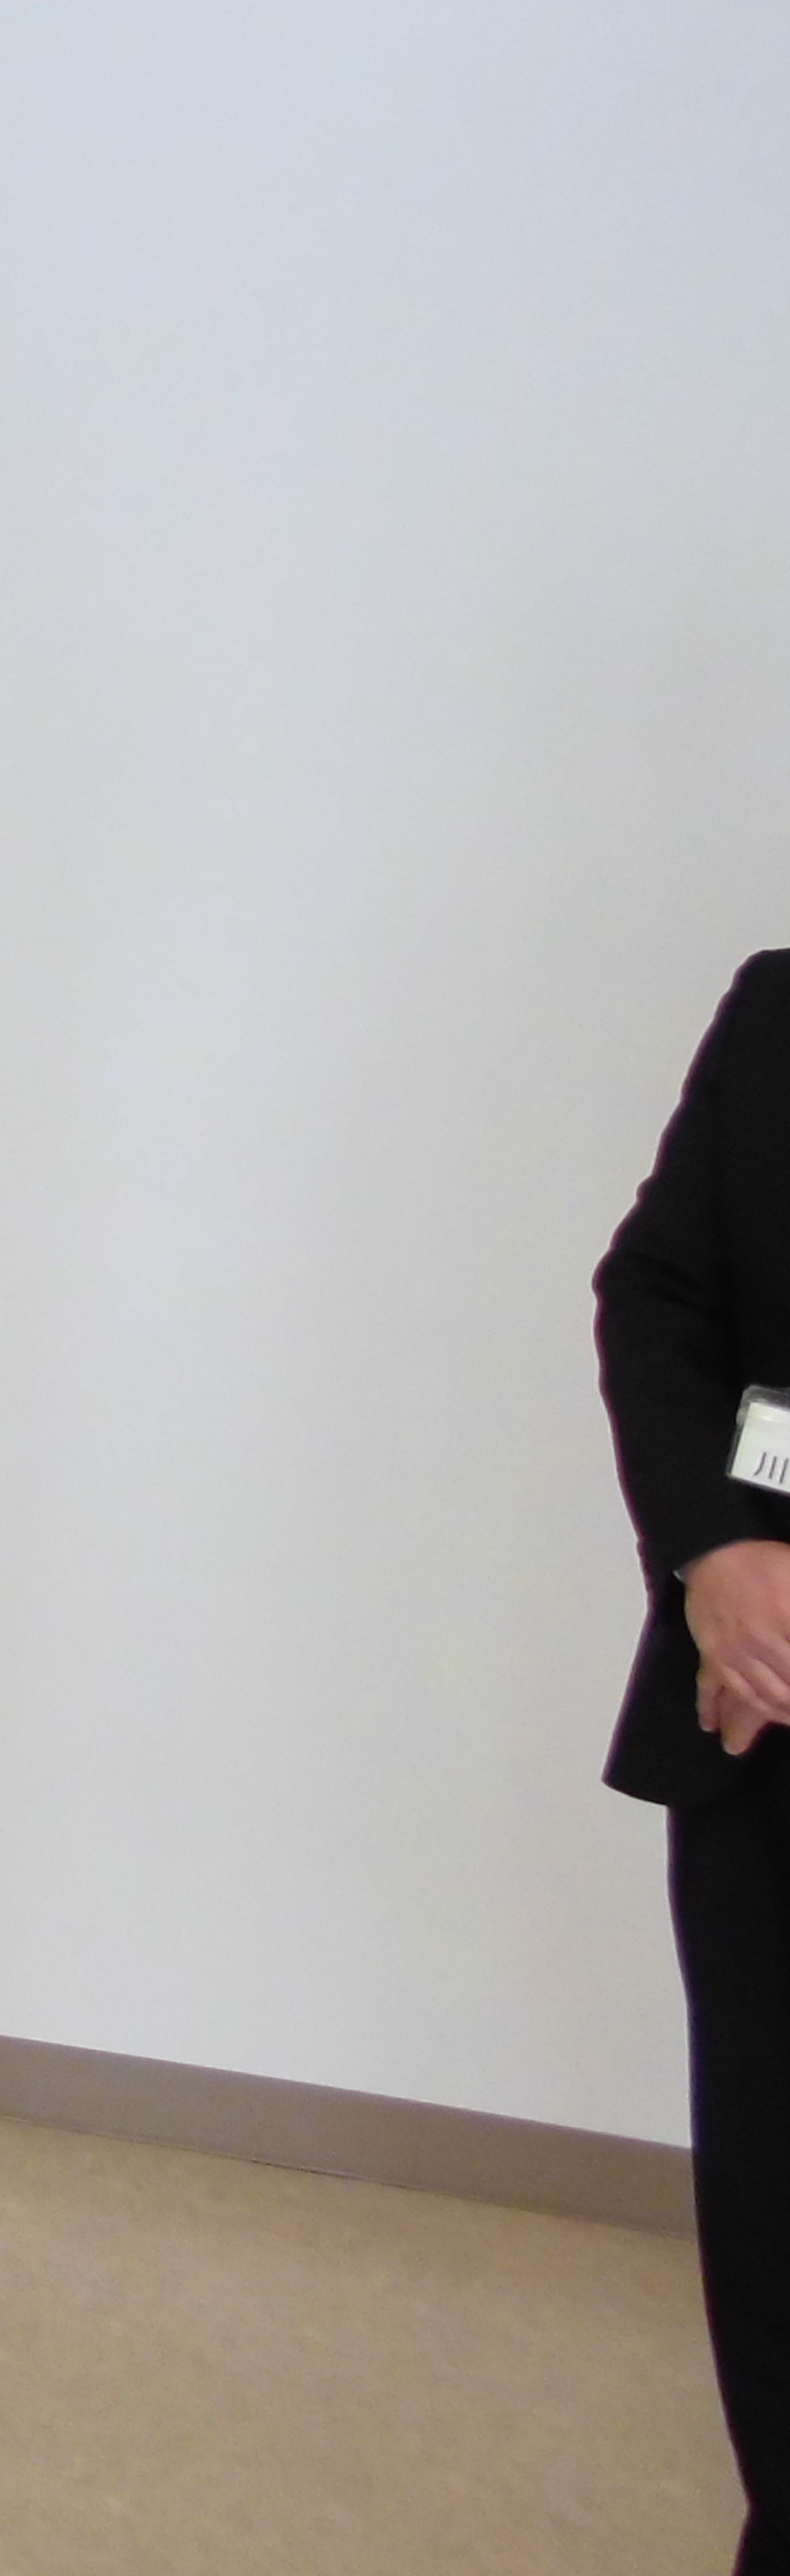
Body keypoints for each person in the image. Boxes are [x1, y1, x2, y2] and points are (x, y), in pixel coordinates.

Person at [601, 952, 790, 2576]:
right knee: (774, 2199)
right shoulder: (782, 1008)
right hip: (765, 1713)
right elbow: (657, 1293)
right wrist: (715, 1549)